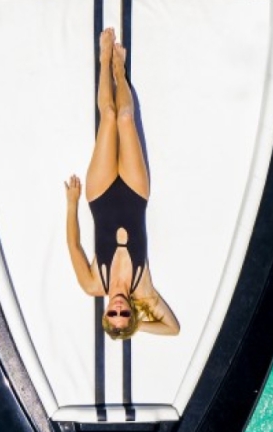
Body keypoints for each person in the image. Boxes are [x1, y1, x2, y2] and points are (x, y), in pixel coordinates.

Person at [64, 28, 180, 339]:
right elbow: (173, 329)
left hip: (99, 195)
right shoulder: (143, 288)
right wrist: (137, 324)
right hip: (135, 194)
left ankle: (104, 61)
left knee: (110, 117)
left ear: (105, 313)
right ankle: (120, 71)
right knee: (126, 117)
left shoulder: (93, 285)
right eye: (124, 314)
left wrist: (72, 204)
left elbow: (74, 246)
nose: (118, 308)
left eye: (112, 314)